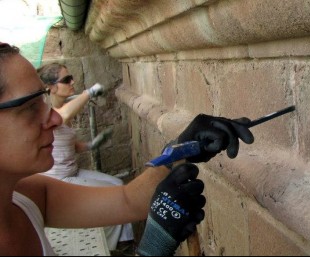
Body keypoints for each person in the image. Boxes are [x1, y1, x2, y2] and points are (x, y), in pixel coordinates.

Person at [0, 42, 254, 256]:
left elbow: (128, 200)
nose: (54, 119)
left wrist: (180, 149)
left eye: (42, 100)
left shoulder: (26, 197)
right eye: (30, 107)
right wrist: (154, 247)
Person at [36, 63, 134, 251]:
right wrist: (88, 92)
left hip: (73, 172)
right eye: (66, 80)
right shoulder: (47, 113)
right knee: (114, 197)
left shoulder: (63, 108)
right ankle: (106, 246)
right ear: (51, 87)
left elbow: (67, 145)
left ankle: (124, 242)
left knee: (118, 184)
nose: (72, 82)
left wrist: (91, 145)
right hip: (59, 179)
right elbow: (62, 116)